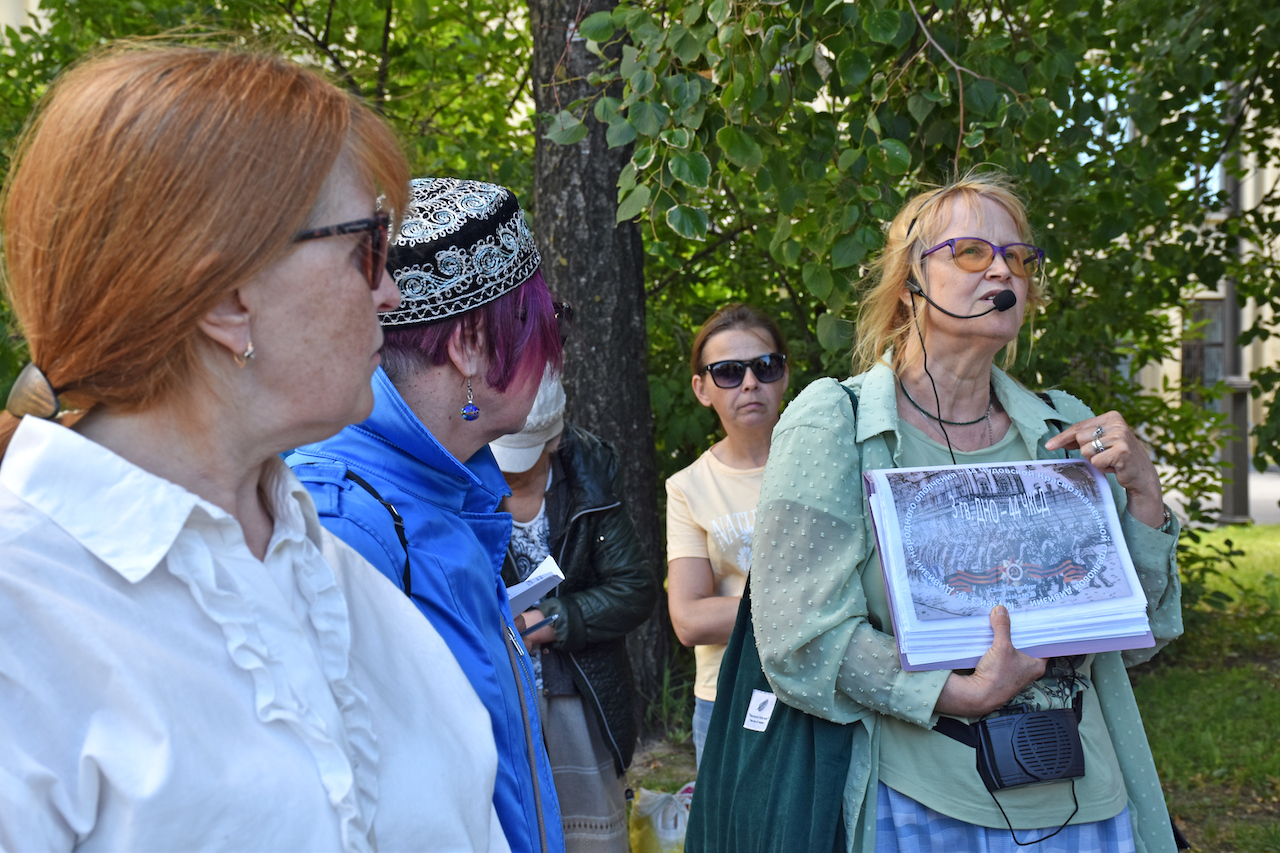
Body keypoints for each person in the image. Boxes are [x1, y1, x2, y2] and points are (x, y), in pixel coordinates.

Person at [0, 47, 507, 851]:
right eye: (369, 245)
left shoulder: (332, 576)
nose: (391, 291)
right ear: (228, 297)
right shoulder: (25, 616)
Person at [719, 171, 1182, 850]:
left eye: (1018, 257)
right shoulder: (835, 423)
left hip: (1087, 803)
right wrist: (954, 692)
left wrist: (1144, 497)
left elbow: (1137, 637)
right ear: (910, 281)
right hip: (921, 804)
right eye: (971, 252)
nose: (1002, 270)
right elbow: (799, 639)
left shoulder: (1064, 428)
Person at [287, 177, 567, 853]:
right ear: (470, 343)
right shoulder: (342, 521)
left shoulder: (444, 485)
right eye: (539, 321)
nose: (553, 345)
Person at [490, 370, 658, 853]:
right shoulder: (464, 468)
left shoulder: (590, 477)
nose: (506, 471)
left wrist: (548, 621)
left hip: (578, 690)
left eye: (523, 455)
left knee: (589, 834)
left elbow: (635, 589)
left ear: (555, 440)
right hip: (500, 688)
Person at [665, 303, 791, 767]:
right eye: (728, 372)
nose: (750, 383)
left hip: (825, 681)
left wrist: (737, 611)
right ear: (702, 389)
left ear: (784, 375)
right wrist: (810, 605)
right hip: (727, 692)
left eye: (765, 366)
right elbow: (689, 620)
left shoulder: (828, 462)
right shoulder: (688, 487)